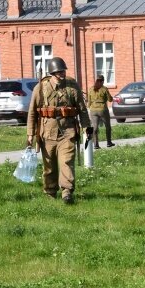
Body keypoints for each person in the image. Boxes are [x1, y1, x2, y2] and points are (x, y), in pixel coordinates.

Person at [26, 57, 93, 204]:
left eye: (63, 71)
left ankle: (67, 191)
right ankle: (50, 191)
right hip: (47, 132)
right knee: (49, 166)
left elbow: (82, 109)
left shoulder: (72, 86)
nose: (62, 74)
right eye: (58, 72)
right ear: (52, 73)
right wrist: (30, 133)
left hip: (68, 131)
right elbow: (32, 112)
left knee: (66, 162)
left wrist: (87, 128)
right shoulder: (41, 88)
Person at [87, 75, 115, 149]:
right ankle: (109, 142)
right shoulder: (104, 89)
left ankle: (96, 144)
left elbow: (89, 102)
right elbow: (110, 99)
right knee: (107, 126)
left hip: (93, 110)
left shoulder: (91, 89)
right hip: (103, 110)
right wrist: (111, 98)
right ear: (102, 81)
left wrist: (89, 108)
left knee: (95, 128)